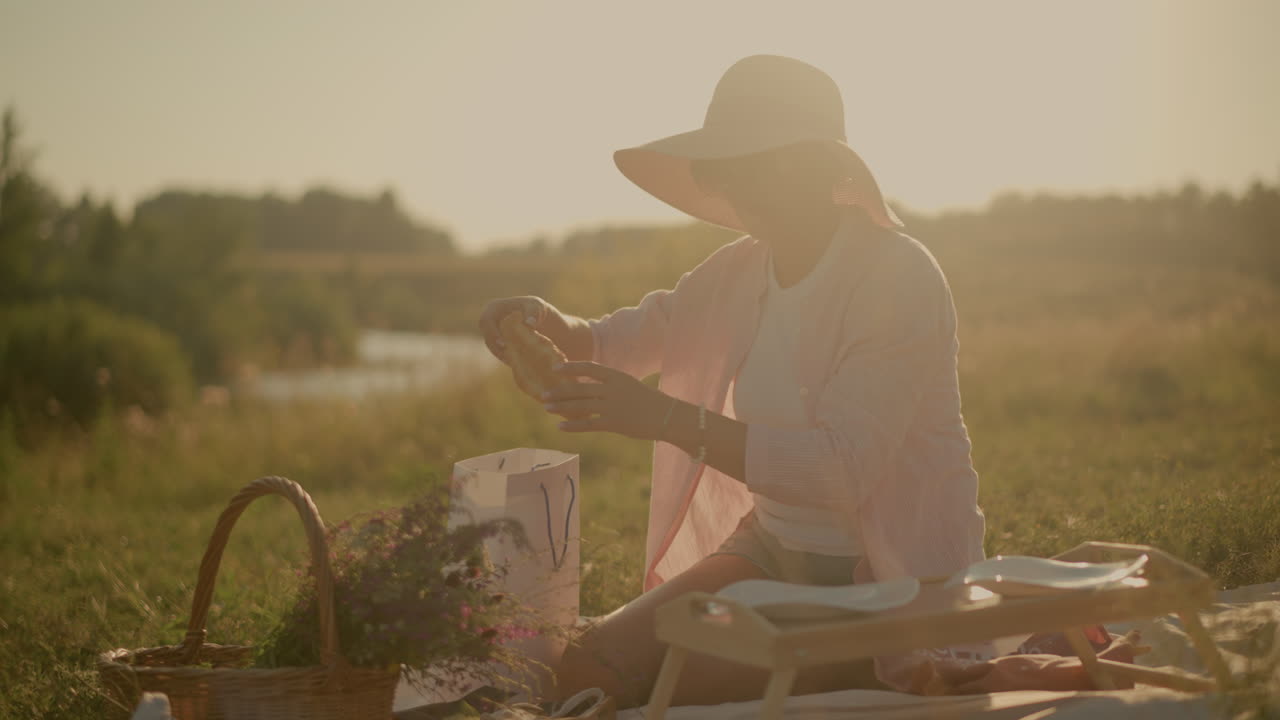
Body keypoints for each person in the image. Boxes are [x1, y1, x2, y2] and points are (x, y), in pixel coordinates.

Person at [478, 54, 986, 708]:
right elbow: (613, 343)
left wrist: (664, 420)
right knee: (574, 673)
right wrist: (547, 325)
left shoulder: (897, 278)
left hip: (881, 587)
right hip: (771, 551)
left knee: (636, 694)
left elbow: (842, 471)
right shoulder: (741, 271)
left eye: (756, 163)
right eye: (730, 168)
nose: (736, 188)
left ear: (814, 166)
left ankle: (864, 665)